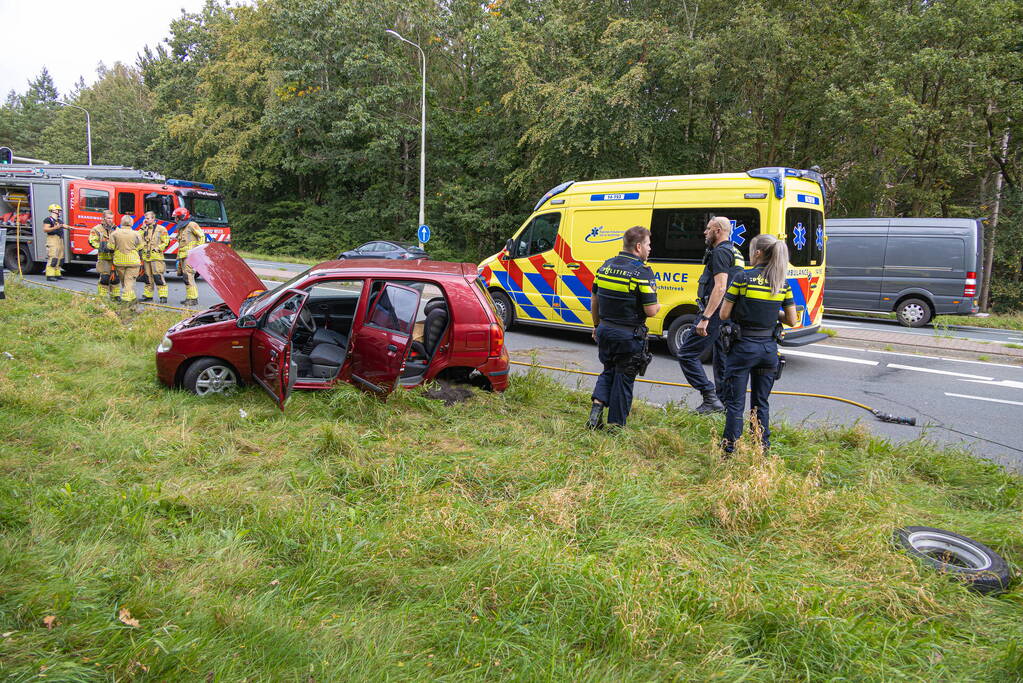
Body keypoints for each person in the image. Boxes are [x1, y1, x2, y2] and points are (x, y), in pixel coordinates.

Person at [719, 234, 798, 455]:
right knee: (761, 402)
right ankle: (762, 448)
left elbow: (725, 313)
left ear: (757, 253)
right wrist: (771, 311)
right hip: (768, 350)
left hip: (743, 348)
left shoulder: (742, 278)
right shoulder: (781, 283)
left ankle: (729, 449)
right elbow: (792, 320)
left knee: (735, 403)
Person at [586, 225, 660, 431]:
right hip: (628, 335)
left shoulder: (606, 267)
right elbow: (651, 310)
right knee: (624, 378)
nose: (650, 249)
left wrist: (596, 325)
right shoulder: (642, 272)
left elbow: (594, 299)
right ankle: (616, 426)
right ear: (638, 246)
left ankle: (596, 411)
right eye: (648, 244)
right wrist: (660, 305)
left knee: (608, 370)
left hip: (605, 330)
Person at [676, 216, 745, 414]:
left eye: (708, 229)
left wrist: (706, 317)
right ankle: (721, 404)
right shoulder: (735, 251)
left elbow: (721, 286)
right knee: (721, 360)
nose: (705, 233)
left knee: (686, 354)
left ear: (718, 230)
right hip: (727, 314)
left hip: (715, 313)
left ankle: (709, 396)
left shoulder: (721, 252)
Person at [108, 216, 143, 303]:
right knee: (129, 281)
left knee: (124, 281)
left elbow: (111, 247)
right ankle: (126, 300)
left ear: (121, 222)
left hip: (119, 261)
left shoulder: (114, 234)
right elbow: (140, 247)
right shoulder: (136, 234)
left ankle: (132, 298)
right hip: (133, 261)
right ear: (132, 223)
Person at [139, 211, 170, 303]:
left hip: (156, 257)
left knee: (158, 277)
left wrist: (158, 248)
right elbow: (137, 238)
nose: (146, 220)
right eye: (145, 218)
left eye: (148, 218)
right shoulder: (144, 229)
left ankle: (163, 296)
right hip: (146, 257)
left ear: (153, 219)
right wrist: (142, 227)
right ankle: (148, 296)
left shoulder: (161, 229)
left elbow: (166, 242)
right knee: (147, 277)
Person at [88, 210, 117, 298]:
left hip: (114, 258)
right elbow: (91, 241)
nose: (110, 220)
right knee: (104, 278)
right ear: (103, 218)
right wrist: (102, 247)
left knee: (115, 278)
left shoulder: (116, 229)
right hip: (103, 258)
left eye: (111, 218)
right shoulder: (97, 229)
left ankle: (115, 296)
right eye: (108, 218)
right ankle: (102, 296)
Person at [176, 220, 206, 306]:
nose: (175, 220)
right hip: (183, 255)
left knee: (189, 276)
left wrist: (197, 250)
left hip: (190, 255)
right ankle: (189, 298)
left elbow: (202, 236)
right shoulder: (182, 228)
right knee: (186, 277)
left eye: (176, 218)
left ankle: (193, 299)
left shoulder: (192, 225)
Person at [42, 204, 66, 281]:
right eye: (59, 211)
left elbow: (63, 225)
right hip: (52, 239)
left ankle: (57, 273)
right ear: (54, 211)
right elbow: (45, 229)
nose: (60, 212)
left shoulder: (59, 221)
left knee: (60, 257)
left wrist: (70, 227)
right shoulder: (48, 220)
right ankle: (50, 275)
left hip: (60, 239)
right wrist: (55, 227)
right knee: (53, 257)